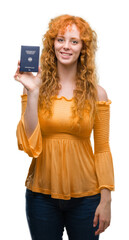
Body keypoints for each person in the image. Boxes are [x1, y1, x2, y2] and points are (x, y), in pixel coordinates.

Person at [14, 14, 115, 240]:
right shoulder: (35, 89)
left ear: (83, 48)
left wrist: (106, 199)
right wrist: (33, 93)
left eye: (74, 41)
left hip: (87, 197)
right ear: (52, 44)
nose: (66, 46)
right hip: (41, 198)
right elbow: (29, 145)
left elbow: (102, 148)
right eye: (60, 39)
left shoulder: (97, 94)